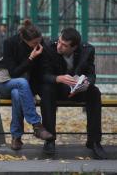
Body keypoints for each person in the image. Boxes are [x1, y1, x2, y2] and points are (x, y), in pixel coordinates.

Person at [40, 28, 107, 159]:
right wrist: (58, 78)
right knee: (46, 91)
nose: (59, 46)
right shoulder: (49, 48)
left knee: (95, 93)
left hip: (78, 90)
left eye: (64, 45)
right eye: (59, 42)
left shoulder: (87, 50)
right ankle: (49, 140)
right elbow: (42, 76)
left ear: (74, 47)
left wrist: (87, 82)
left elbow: (91, 74)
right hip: (56, 89)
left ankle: (94, 142)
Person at [0, 19, 53, 150]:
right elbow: (14, 73)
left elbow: (41, 71)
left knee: (17, 94)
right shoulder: (10, 43)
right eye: (34, 42)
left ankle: (16, 137)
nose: (38, 44)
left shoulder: (41, 45)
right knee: (21, 82)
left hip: (22, 88)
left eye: (39, 40)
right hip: (3, 83)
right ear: (24, 39)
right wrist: (31, 58)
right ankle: (37, 125)